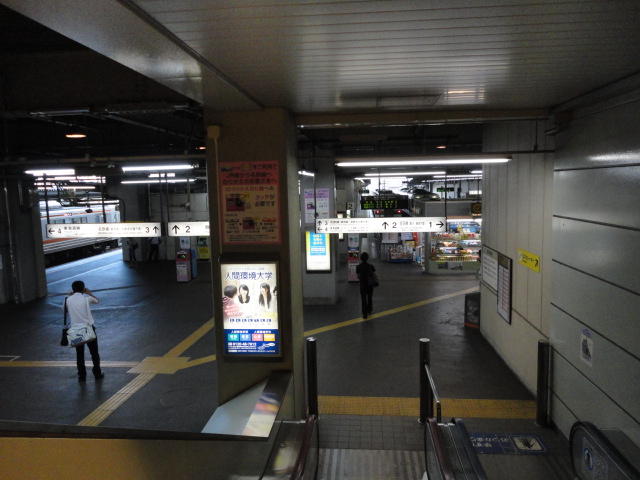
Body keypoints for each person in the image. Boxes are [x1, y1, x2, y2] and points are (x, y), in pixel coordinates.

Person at [65, 280, 103, 382]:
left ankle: (82, 376)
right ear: (83, 288)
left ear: (73, 289)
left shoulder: (68, 300)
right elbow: (97, 301)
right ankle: (97, 373)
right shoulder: (86, 298)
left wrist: (70, 296)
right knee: (94, 353)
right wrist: (89, 293)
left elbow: (64, 309)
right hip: (88, 328)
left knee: (79, 354)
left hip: (76, 329)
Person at [356, 252, 376, 319]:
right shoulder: (371, 266)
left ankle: (364, 313)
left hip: (362, 285)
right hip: (370, 284)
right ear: (367, 258)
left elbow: (358, 275)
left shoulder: (358, 266)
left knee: (363, 299)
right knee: (369, 298)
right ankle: (369, 310)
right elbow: (373, 273)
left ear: (361, 258)